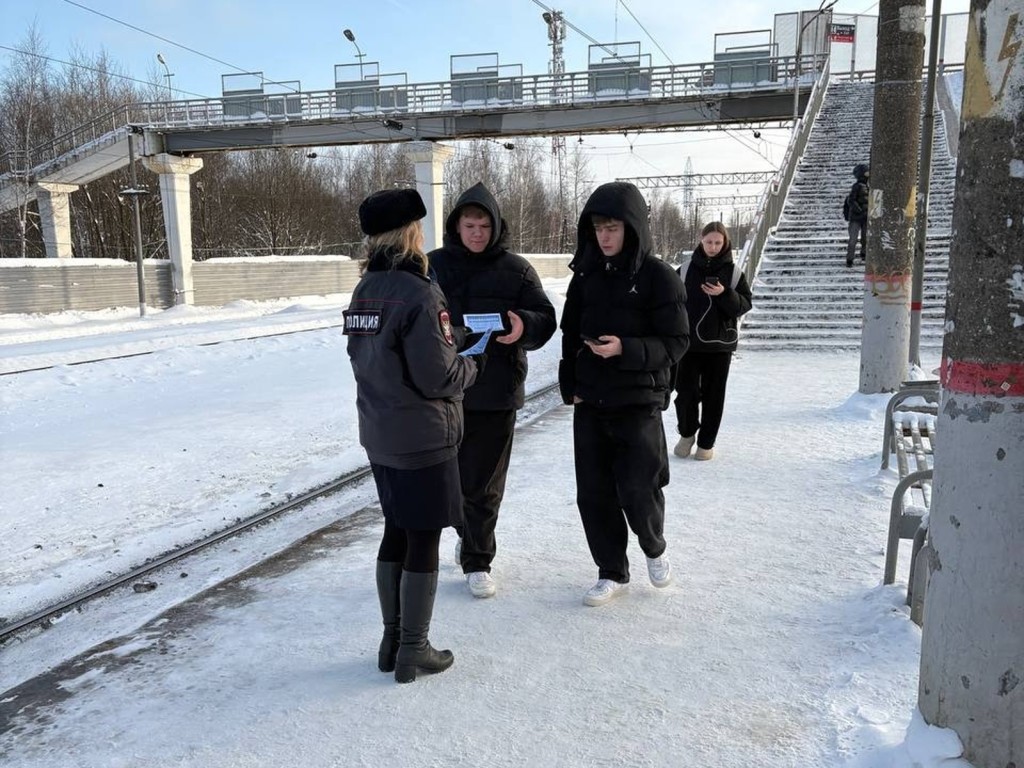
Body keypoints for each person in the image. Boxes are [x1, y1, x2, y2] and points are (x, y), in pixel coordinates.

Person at [344, 188, 485, 683]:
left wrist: (451, 339)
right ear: (411, 233)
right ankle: (413, 649)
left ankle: (390, 639)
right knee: (423, 534)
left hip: (380, 433)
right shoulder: (420, 292)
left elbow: (384, 355)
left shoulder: (367, 288)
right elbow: (437, 378)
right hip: (423, 435)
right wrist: (471, 365)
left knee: (395, 529)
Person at [558, 181, 689, 607]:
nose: (605, 237)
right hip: (592, 401)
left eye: (613, 228)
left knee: (638, 488)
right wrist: (570, 385)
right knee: (593, 494)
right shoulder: (586, 277)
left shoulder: (659, 277)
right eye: (598, 229)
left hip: (639, 401)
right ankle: (611, 569)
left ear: (631, 228)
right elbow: (569, 334)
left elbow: (677, 342)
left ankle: (653, 546)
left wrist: (626, 349)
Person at [429, 182, 557, 599]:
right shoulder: (433, 266)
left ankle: (478, 560)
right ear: (456, 226)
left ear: (496, 227)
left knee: (485, 484)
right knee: (448, 480)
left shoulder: (517, 270)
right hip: (444, 394)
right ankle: (466, 535)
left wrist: (525, 324)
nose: (477, 233)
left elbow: (544, 316)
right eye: (469, 225)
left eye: (484, 225)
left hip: (496, 392)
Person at [671, 221, 753, 462]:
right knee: (685, 393)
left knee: (714, 396)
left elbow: (744, 305)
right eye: (709, 242)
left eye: (718, 242)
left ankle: (706, 442)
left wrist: (724, 294)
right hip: (688, 344)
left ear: (725, 243)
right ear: (701, 240)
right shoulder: (684, 270)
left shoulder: (735, 273)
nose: (713, 247)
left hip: (719, 345)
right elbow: (669, 301)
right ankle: (687, 433)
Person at [845, 163, 870, 267]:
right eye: (866, 172)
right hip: (856, 217)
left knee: (865, 238)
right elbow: (851, 200)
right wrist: (859, 210)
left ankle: (864, 254)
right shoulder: (857, 186)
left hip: (865, 217)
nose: (868, 174)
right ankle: (849, 259)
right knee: (853, 239)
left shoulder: (868, 186)